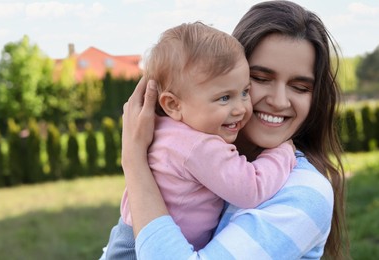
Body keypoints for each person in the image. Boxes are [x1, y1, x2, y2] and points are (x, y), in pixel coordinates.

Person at [112, 1, 349, 259]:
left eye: (300, 87)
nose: (280, 101)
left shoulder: (305, 193)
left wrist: (134, 161)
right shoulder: (202, 145)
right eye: (259, 78)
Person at [103, 21, 297, 258]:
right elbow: (251, 188)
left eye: (245, 92)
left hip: (129, 236)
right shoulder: (200, 146)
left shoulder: (163, 127)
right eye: (224, 98)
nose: (240, 108)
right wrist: (282, 152)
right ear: (173, 104)